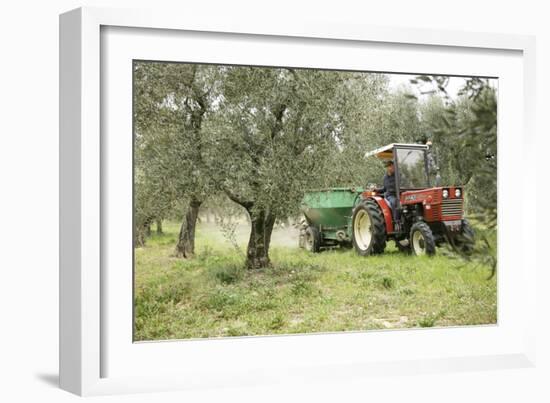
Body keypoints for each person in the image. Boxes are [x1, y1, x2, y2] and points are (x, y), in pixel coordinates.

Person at [379, 160, 400, 229]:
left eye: (392, 166)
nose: (391, 168)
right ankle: (396, 222)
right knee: (394, 202)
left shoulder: (398, 176)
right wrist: (376, 190)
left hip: (399, 194)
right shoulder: (385, 178)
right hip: (390, 195)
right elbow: (384, 189)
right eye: (389, 166)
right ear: (387, 168)